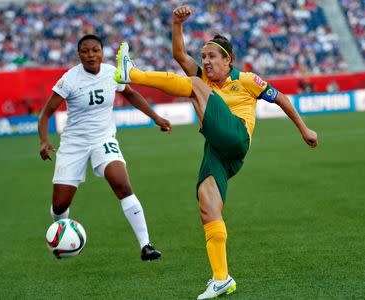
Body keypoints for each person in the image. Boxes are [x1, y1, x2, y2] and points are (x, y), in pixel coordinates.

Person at [114, 6, 318, 298]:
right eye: (204, 56)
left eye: (212, 57)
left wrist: (304, 129)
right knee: (208, 207)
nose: (206, 61)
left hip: (236, 139)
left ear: (228, 60)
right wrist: (176, 24)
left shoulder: (246, 80)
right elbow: (179, 56)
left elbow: (280, 98)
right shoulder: (203, 80)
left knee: (195, 85)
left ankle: (131, 73)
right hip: (219, 151)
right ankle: (221, 278)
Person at [38, 34, 172, 261]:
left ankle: (146, 245)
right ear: (79, 55)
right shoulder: (69, 79)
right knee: (60, 206)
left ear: (102, 52)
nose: (91, 55)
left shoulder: (112, 73)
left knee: (122, 184)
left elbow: (131, 94)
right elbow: (46, 114)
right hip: (74, 144)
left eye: (95, 50)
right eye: (85, 51)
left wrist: (156, 118)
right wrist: (44, 140)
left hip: (104, 139)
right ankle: (62, 234)